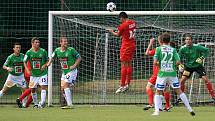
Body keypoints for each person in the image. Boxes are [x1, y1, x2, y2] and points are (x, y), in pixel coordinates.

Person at [152, 32, 195, 116]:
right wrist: (172, 65)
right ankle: (190, 109)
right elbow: (178, 62)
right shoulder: (173, 49)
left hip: (162, 73)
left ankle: (157, 111)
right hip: (172, 73)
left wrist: (160, 65)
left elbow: (155, 62)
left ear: (161, 40)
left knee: (158, 91)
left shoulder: (158, 49)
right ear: (169, 41)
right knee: (179, 91)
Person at [178, 34, 215, 102]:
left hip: (198, 66)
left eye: (189, 39)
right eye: (186, 39)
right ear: (185, 41)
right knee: (182, 81)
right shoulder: (182, 48)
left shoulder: (197, 46)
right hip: (188, 67)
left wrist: (201, 58)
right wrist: (180, 65)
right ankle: (181, 97)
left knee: (206, 80)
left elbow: (207, 50)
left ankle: (213, 96)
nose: (188, 41)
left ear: (192, 40)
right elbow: (178, 58)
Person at [47, 37, 81, 109]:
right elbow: (52, 57)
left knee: (65, 85)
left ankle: (70, 104)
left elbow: (79, 58)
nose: (66, 43)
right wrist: (49, 63)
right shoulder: (57, 50)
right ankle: (69, 101)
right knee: (62, 89)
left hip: (72, 71)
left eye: (66, 41)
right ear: (60, 43)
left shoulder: (71, 50)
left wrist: (74, 65)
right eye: (64, 41)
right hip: (64, 72)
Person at [108, 11, 136, 93]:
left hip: (126, 47)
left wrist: (111, 31)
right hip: (132, 45)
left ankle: (122, 85)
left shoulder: (123, 25)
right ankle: (128, 84)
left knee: (123, 64)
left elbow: (118, 35)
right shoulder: (133, 22)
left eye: (120, 19)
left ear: (122, 18)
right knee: (129, 64)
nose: (120, 20)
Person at [144, 35, 170, 111]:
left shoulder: (157, 49)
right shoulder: (170, 49)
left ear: (160, 41)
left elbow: (147, 53)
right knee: (165, 89)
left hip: (157, 73)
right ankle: (167, 106)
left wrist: (150, 43)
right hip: (167, 71)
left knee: (149, 87)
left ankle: (151, 103)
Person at [24, 37, 48, 108]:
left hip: (42, 73)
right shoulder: (29, 52)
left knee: (43, 87)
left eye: (38, 42)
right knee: (33, 89)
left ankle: (43, 102)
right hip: (33, 74)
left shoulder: (43, 51)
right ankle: (36, 104)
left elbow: (47, 60)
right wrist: (28, 70)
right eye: (36, 42)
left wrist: (45, 64)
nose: (38, 44)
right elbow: (24, 62)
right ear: (32, 43)